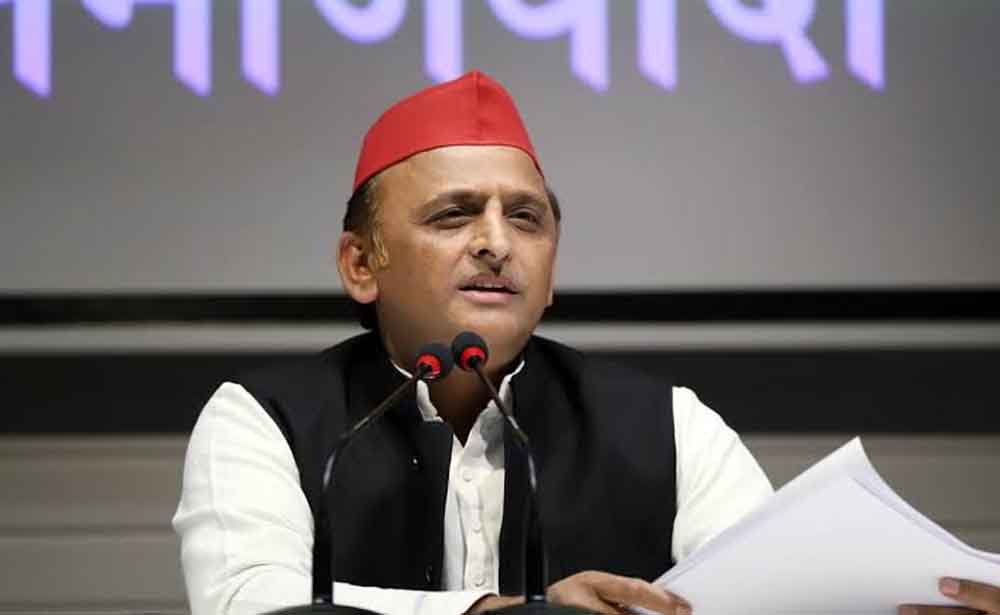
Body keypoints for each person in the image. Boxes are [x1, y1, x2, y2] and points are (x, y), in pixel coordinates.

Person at [171, 71, 999, 615]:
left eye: (525, 218)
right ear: (361, 263)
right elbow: (253, 604)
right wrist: (502, 613)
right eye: (454, 215)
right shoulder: (267, 420)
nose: (497, 242)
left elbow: (771, 593)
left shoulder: (665, 425)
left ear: (552, 269)